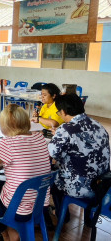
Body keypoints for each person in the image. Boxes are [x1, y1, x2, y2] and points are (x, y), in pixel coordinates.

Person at [0, 104, 51, 241]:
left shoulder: (7, 144)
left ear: (4, 125)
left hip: (18, 210)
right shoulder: (40, 138)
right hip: (39, 205)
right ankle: (13, 231)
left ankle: (6, 234)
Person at [48, 94, 110, 223]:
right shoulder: (98, 124)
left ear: (63, 112)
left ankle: (62, 215)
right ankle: (88, 216)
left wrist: (57, 136)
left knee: (50, 179)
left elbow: (52, 154)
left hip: (82, 188)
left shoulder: (66, 129)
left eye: (58, 112)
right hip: (102, 185)